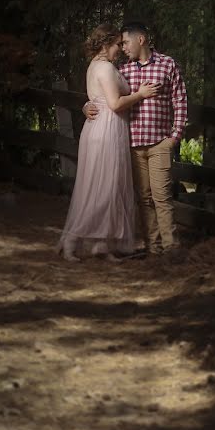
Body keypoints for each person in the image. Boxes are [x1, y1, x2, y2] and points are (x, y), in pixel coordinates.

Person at [84, 21, 188, 258]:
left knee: (162, 196)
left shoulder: (167, 64)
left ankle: (171, 247)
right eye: (120, 44)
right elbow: (104, 94)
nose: (123, 48)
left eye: (126, 42)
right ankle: (153, 248)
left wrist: (175, 136)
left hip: (160, 142)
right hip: (132, 143)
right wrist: (86, 105)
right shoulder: (124, 70)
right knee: (144, 197)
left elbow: (180, 100)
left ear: (140, 39)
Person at [59, 24, 159, 261]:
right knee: (100, 189)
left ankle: (102, 245)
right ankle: (71, 242)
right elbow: (114, 104)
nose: (121, 49)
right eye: (117, 45)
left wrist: (87, 106)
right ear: (106, 45)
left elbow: (96, 99)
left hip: (104, 128)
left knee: (107, 188)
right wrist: (141, 94)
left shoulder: (96, 66)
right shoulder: (104, 67)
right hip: (107, 129)